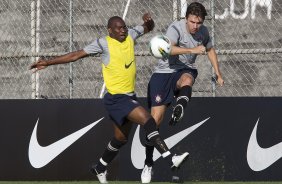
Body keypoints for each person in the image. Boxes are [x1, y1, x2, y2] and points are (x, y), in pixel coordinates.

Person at [30, 13, 189, 184]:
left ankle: (99, 167)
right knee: (148, 121)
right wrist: (48, 62)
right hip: (116, 98)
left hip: (129, 96)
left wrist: (148, 22)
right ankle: (170, 158)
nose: (123, 30)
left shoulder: (130, 35)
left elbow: (148, 27)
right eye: (118, 28)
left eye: (124, 27)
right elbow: (75, 55)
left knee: (121, 138)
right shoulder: (103, 43)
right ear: (110, 30)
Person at [141, 2, 224, 183]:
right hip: (163, 74)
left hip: (184, 70)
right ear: (186, 18)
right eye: (193, 22)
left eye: (199, 22)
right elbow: (169, 49)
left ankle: (180, 107)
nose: (195, 26)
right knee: (154, 123)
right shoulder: (175, 28)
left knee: (188, 78)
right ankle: (148, 163)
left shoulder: (204, 32)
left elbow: (210, 49)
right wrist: (192, 49)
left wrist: (218, 72)